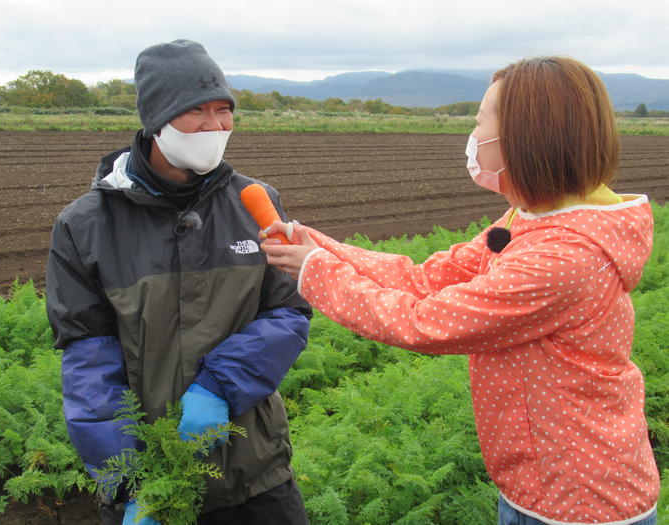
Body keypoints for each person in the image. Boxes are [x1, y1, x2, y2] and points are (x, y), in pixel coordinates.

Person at [261, 56, 659, 525]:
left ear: (524, 137)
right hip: (535, 485)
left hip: (580, 502)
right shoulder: (530, 219)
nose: (473, 136)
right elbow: (427, 277)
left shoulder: (564, 257)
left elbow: (423, 322)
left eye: (479, 122)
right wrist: (319, 246)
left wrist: (317, 272)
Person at [46, 39, 312, 525]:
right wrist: (127, 482)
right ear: (157, 121)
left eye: (224, 110)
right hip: (154, 478)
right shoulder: (86, 225)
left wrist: (219, 385)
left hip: (255, 472)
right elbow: (89, 360)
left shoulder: (255, 202)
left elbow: (288, 313)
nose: (215, 126)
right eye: (196, 112)